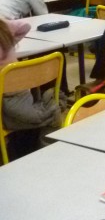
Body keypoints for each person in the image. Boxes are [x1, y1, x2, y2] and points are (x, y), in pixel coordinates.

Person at [0, 19, 63, 160]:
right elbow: (25, 26)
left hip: (8, 98)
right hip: (24, 89)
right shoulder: (3, 26)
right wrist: (10, 40)